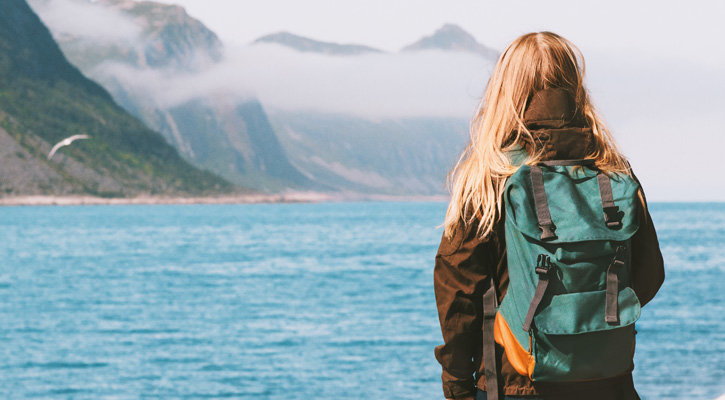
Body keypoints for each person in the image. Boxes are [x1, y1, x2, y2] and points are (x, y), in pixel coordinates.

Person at [433, 32, 665, 400]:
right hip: (611, 381)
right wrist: (590, 321)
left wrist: (458, 385)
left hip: (516, 384)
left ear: (506, 92)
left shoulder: (493, 176)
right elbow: (649, 275)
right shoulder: (615, 173)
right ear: (575, 90)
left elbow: (458, 293)